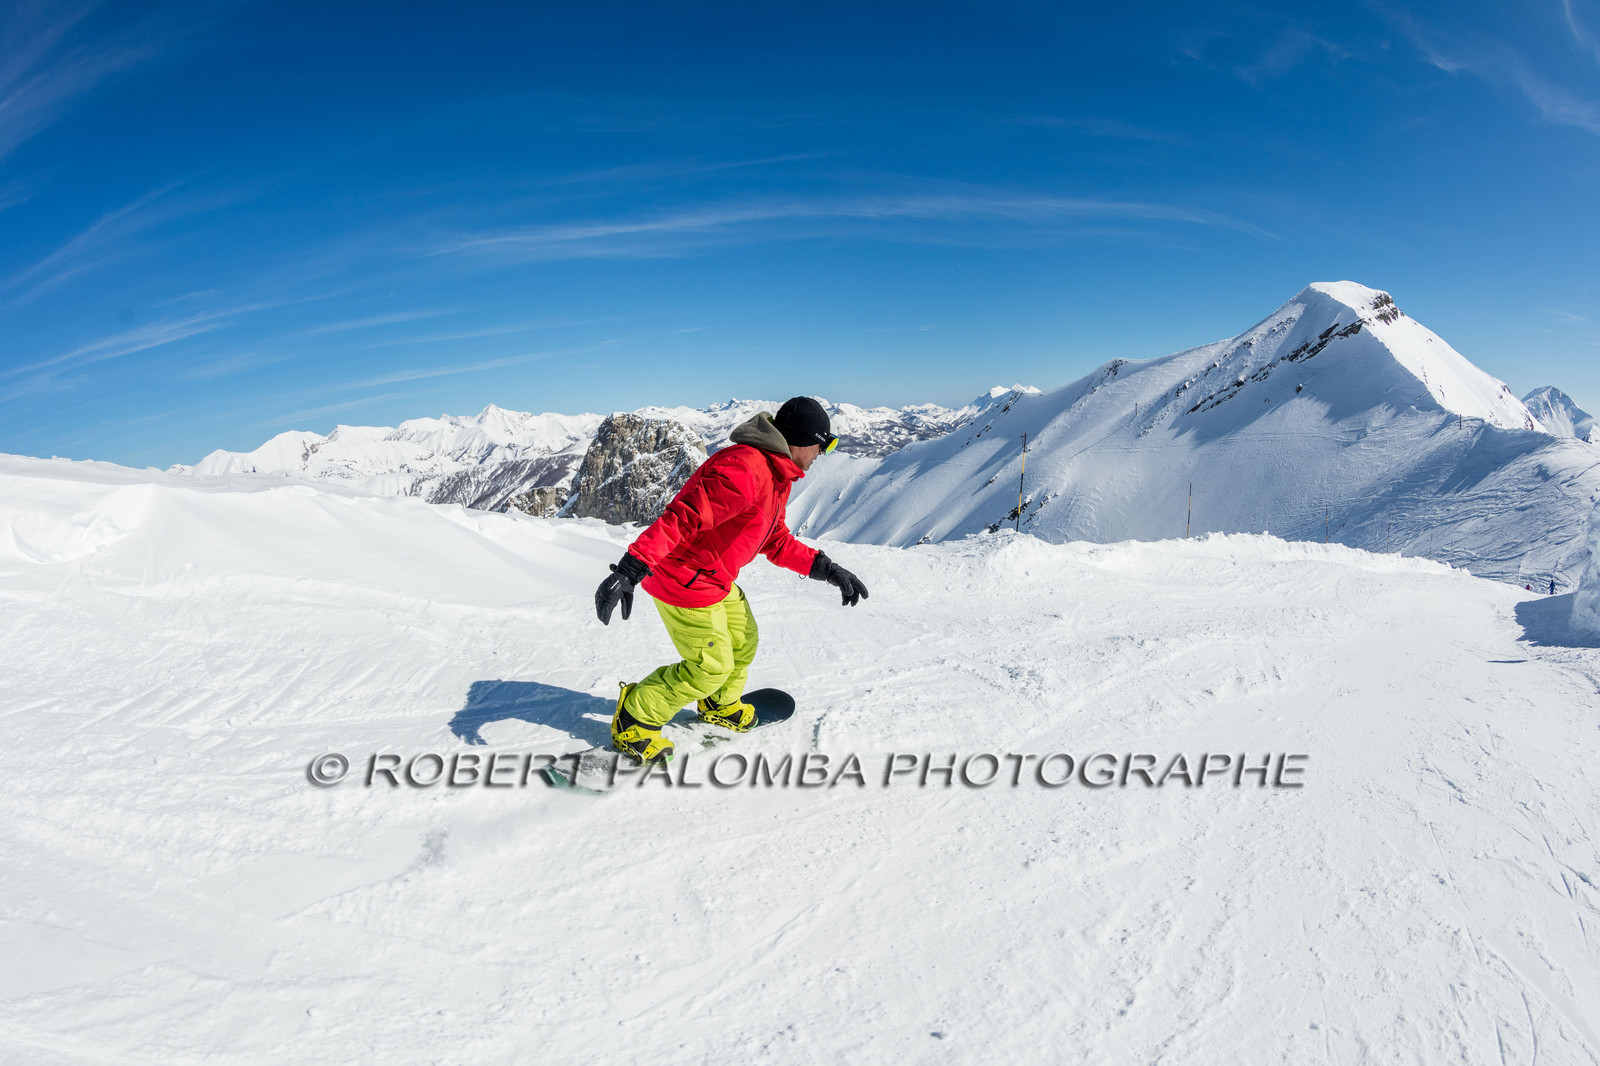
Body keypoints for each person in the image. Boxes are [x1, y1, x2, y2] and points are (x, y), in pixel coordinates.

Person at [593, 396, 869, 763]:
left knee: (742, 641)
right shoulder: (744, 469)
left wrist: (827, 569)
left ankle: (718, 704)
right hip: (684, 579)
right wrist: (632, 568)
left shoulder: (776, 474)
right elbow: (682, 517)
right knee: (710, 666)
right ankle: (636, 718)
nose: (823, 453)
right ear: (803, 440)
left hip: (714, 577)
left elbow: (774, 538)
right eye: (824, 444)